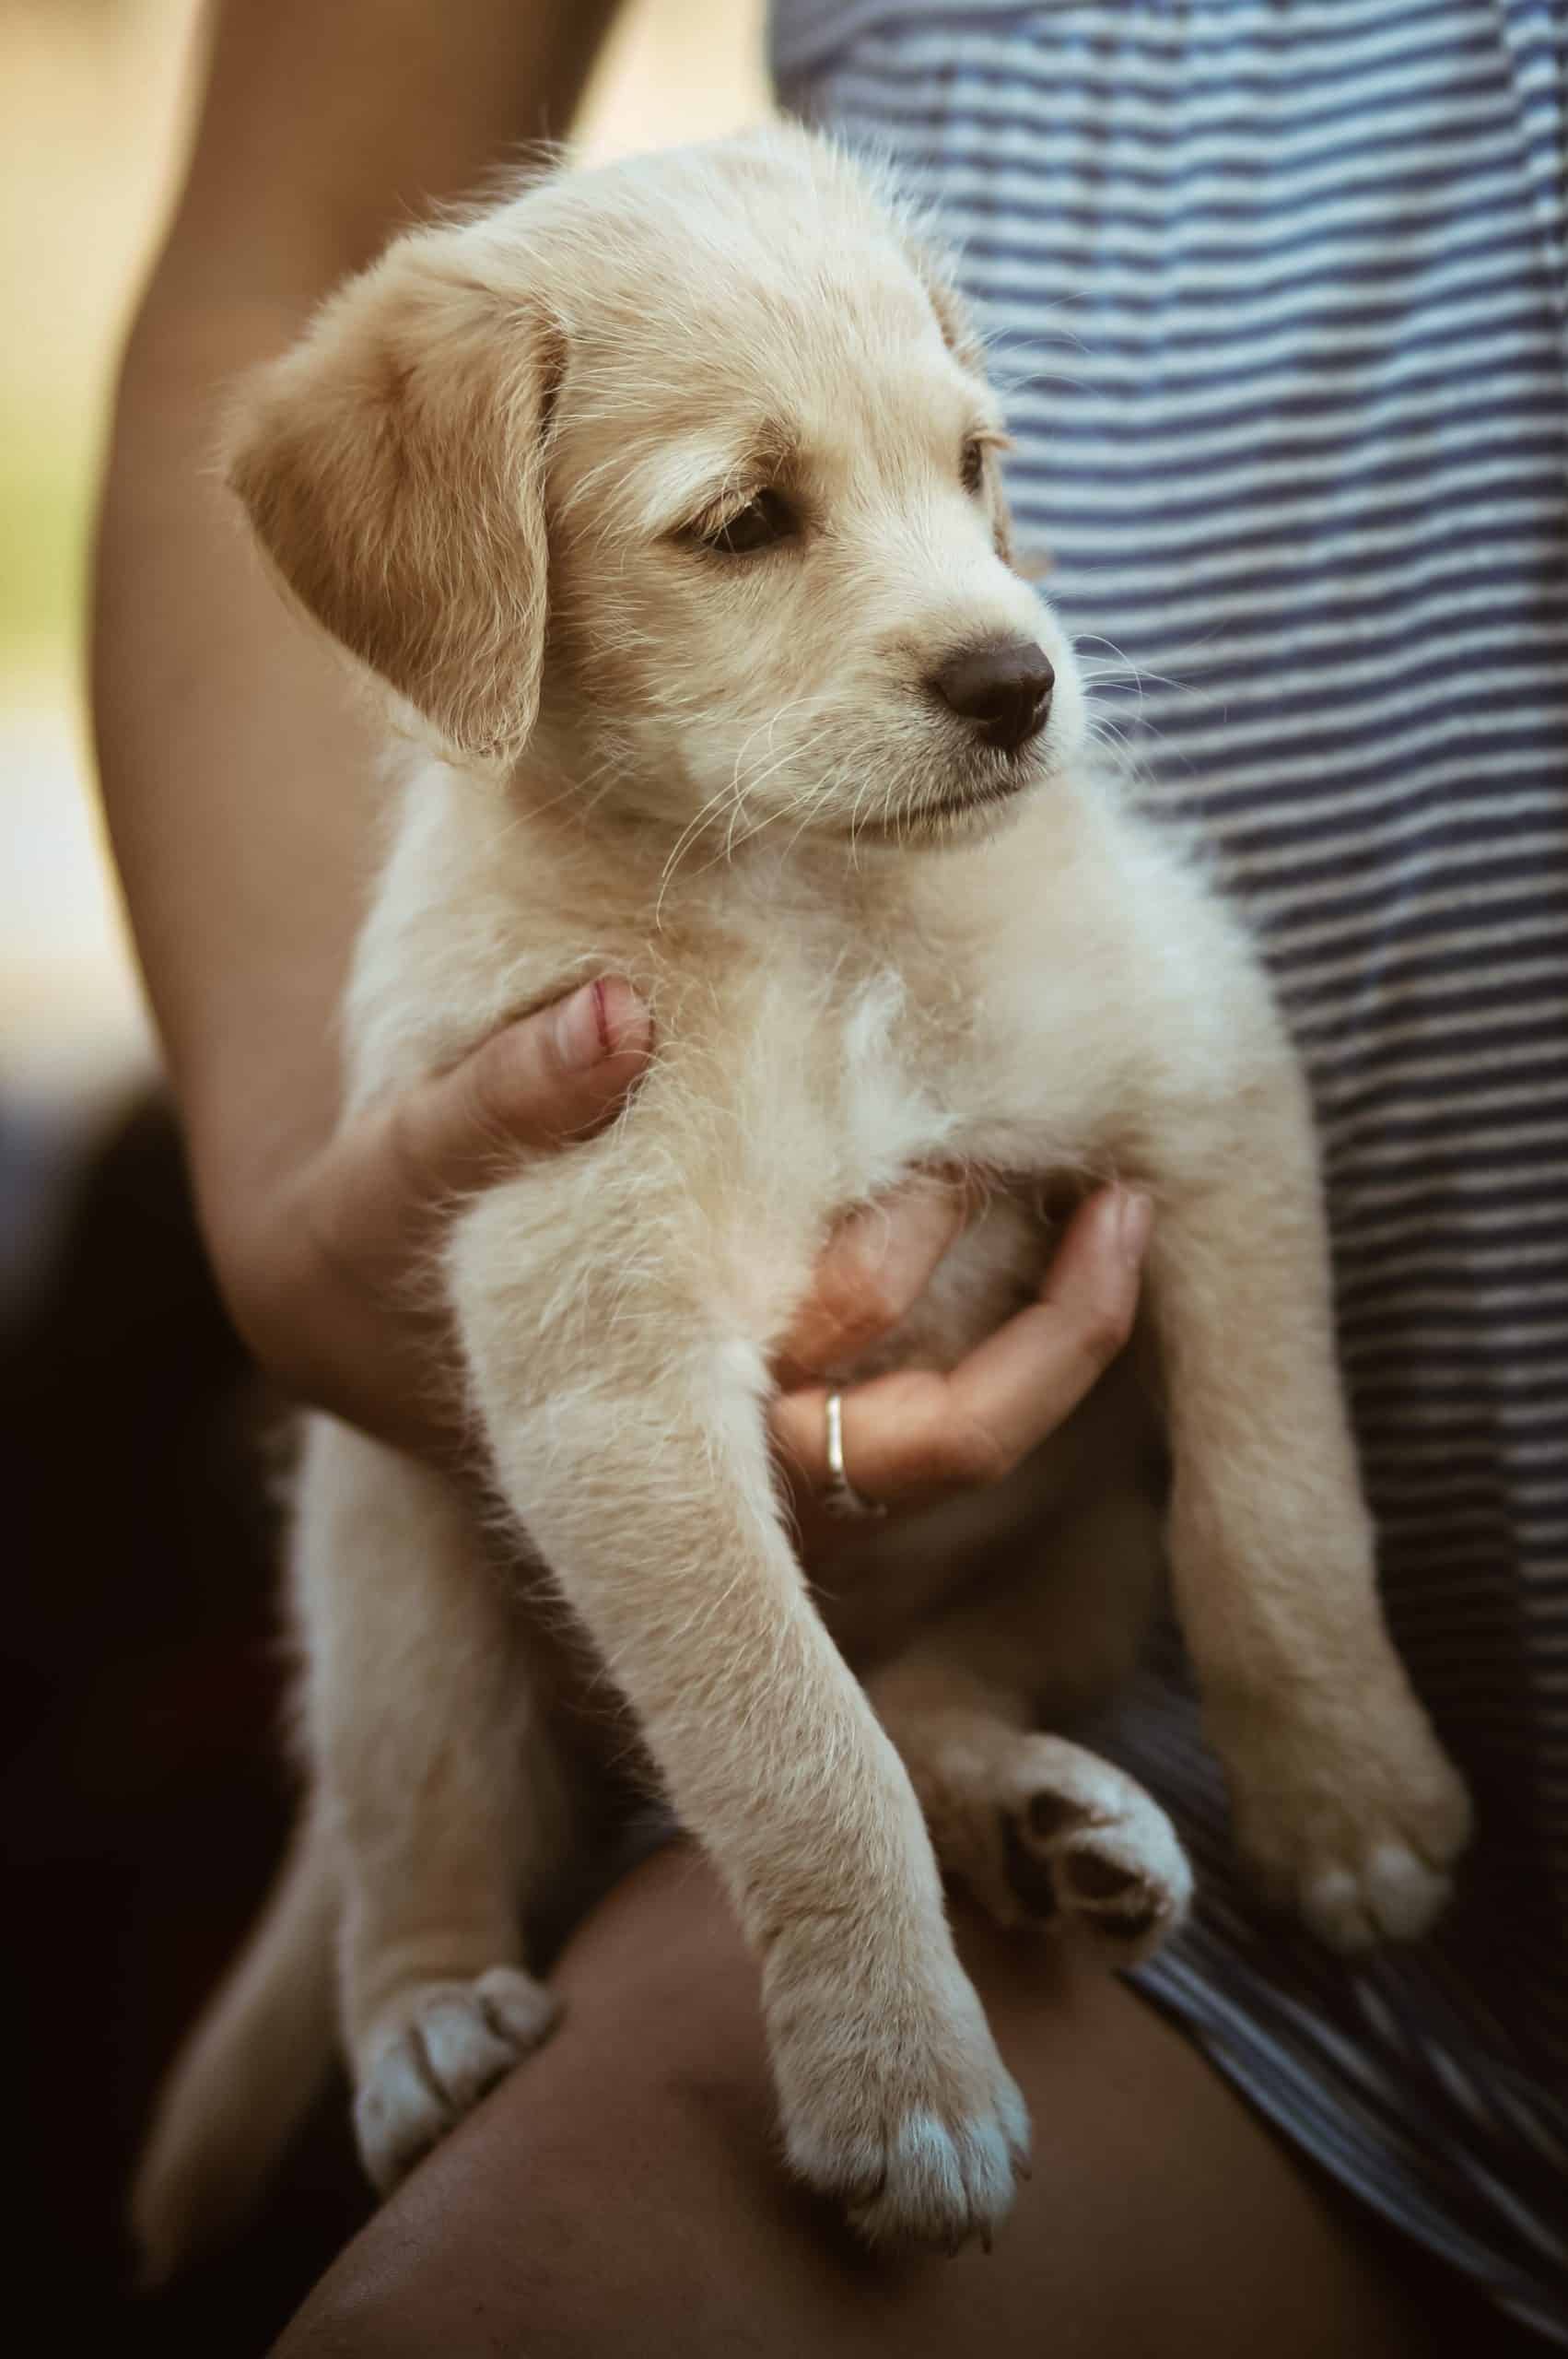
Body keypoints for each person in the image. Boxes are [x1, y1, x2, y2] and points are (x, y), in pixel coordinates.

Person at [92, 1, 1566, 2349]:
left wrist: (1294, 1631)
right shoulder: (537, 914)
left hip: (1205, 1662)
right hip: (1184, 1850)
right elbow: (279, 248)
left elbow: (1210, 1087)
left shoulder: (1015, 817)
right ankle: (424, 1937)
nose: (988, 625)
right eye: (744, 521)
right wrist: (298, 1231)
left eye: (967, 471)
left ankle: (953, 1761)